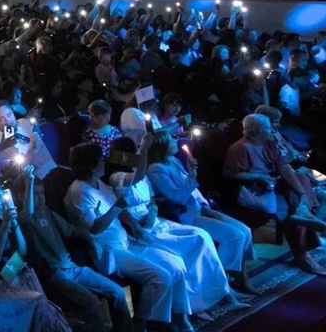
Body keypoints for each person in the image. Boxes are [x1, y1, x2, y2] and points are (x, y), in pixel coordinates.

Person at [64, 143, 194, 332]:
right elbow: (95, 228)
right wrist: (117, 206)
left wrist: (134, 226)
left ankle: (178, 317)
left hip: (126, 240)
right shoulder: (79, 192)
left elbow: (118, 208)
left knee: (175, 264)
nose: (104, 162)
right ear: (91, 165)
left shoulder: (99, 183)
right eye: (101, 159)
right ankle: (142, 323)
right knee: (161, 277)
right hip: (109, 250)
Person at [104, 136, 240, 316]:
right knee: (186, 250)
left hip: (155, 220)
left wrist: (153, 211)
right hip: (140, 228)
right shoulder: (117, 177)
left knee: (201, 237)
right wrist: (145, 150)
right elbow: (126, 197)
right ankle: (195, 304)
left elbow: (151, 200)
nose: (137, 156)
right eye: (133, 153)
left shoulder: (140, 172)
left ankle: (219, 292)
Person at [17, 166, 133, 332]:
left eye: (41, 193)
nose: (40, 198)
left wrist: (93, 242)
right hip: (56, 273)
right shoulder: (24, 219)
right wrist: (29, 181)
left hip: (73, 268)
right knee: (91, 303)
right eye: (35, 194)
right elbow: (27, 213)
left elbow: (72, 231)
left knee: (118, 293)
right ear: (23, 196)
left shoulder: (48, 212)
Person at [146, 131, 259, 293]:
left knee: (245, 231)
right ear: (162, 146)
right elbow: (176, 197)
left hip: (199, 208)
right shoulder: (156, 169)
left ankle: (240, 276)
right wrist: (192, 175)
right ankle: (221, 282)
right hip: (183, 215)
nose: (175, 141)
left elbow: (193, 193)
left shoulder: (172, 160)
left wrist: (205, 206)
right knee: (235, 236)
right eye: (171, 139)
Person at [0, 181, 71, 332]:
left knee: (42, 299)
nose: (2, 203)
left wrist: (13, 222)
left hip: (6, 276)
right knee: (38, 301)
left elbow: (22, 250)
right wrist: (5, 226)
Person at [223, 113, 326, 275]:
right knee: (290, 205)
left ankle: (303, 211)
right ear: (255, 132)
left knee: (301, 180)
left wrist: (302, 194)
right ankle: (302, 254)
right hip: (258, 188)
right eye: (268, 128)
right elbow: (229, 174)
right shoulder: (239, 148)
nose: (272, 130)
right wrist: (257, 176)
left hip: (275, 182)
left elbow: (283, 167)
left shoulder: (269, 144)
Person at [0, 100, 55, 179]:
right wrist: (33, 147)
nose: (8, 121)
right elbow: (17, 171)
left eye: (9, 115)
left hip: (52, 168)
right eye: (2, 119)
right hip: (35, 182)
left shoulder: (24, 123)